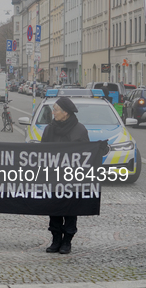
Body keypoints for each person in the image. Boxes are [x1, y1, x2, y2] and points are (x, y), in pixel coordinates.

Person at [41, 97, 89, 255]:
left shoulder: (80, 130)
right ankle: (56, 239)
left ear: (66, 112)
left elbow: (85, 154)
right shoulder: (49, 129)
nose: (53, 112)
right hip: (53, 176)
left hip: (71, 178)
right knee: (54, 208)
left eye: (55, 110)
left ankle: (67, 240)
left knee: (70, 209)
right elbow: (42, 151)